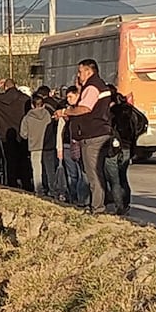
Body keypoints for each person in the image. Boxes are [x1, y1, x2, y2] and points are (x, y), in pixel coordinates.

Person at [54, 59, 112, 214]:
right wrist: (80, 89)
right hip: (98, 132)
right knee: (95, 172)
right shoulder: (96, 86)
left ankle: (97, 207)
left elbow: (85, 108)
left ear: (89, 71)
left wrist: (65, 112)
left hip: (93, 134)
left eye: (80, 72)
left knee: (92, 172)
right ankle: (97, 204)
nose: (78, 75)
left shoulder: (92, 87)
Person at [0, 78, 31, 190]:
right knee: (24, 160)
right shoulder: (25, 99)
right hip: (22, 134)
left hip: (5, 135)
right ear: (16, 86)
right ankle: (26, 184)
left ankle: (11, 184)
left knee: (9, 161)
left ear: (5, 87)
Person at [104, 86, 142, 215]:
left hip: (113, 147)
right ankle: (126, 203)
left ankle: (119, 206)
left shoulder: (111, 112)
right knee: (123, 176)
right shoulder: (129, 111)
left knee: (114, 179)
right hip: (127, 147)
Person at [55, 86, 89, 206]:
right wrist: (59, 148)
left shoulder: (82, 111)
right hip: (66, 145)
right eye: (67, 97)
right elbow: (60, 131)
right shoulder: (66, 112)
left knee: (82, 174)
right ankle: (73, 197)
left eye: (71, 96)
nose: (68, 99)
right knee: (71, 174)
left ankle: (83, 198)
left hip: (80, 146)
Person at [20, 95, 57, 196]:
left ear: (32, 105)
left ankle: (39, 190)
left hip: (34, 146)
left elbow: (23, 134)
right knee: (50, 170)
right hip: (48, 145)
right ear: (43, 105)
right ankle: (53, 190)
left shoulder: (27, 118)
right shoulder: (49, 115)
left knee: (37, 169)